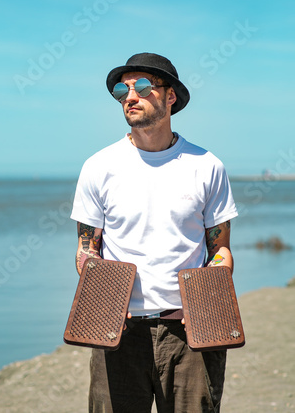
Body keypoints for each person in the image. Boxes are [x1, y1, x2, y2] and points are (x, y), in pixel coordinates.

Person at [71, 52, 238, 413]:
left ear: (170, 96)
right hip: (117, 332)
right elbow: (87, 250)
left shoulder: (207, 166)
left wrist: (207, 306)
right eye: (122, 89)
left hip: (189, 335)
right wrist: (103, 299)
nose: (130, 96)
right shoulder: (98, 167)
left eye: (143, 86)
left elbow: (220, 251)